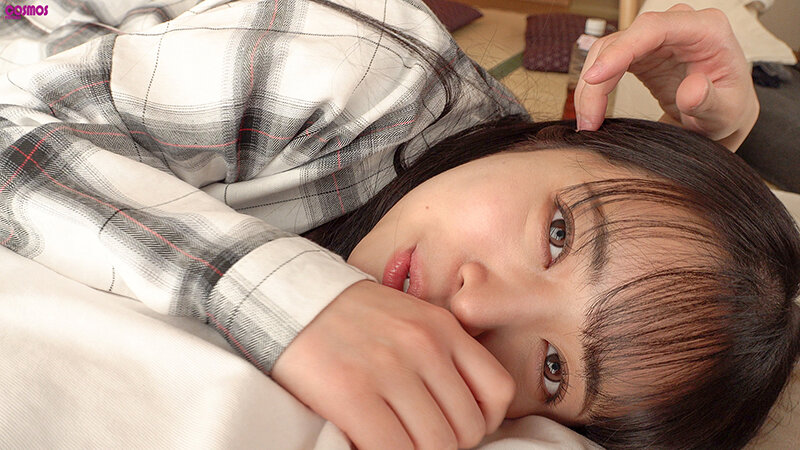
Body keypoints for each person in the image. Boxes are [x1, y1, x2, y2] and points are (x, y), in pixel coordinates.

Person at [0, 0, 797, 449]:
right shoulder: (364, 79)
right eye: (557, 235)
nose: (477, 307)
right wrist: (293, 301)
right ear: (557, 134)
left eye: (553, 369)